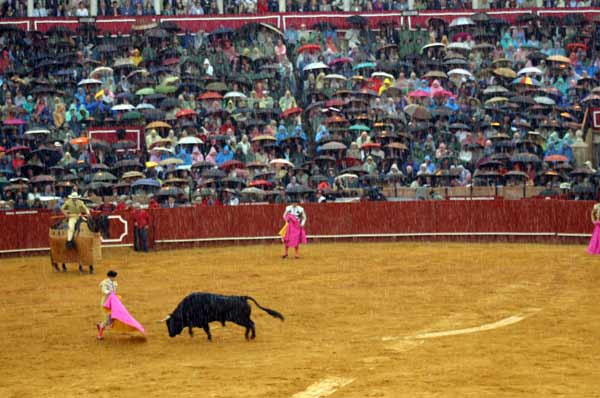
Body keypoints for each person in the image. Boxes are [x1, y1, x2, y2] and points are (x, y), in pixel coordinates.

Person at [97, 270, 118, 340]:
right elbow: (104, 291)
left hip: (112, 303)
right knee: (107, 319)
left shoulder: (115, 283)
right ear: (109, 276)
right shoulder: (105, 283)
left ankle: (100, 325)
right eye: (113, 277)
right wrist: (110, 293)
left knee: (113, 317)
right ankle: (99, 335)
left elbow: (114, 292)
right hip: (105, 303)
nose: (114, 278)